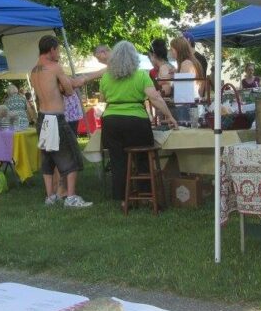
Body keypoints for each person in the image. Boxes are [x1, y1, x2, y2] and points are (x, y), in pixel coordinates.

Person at [100, 41, 178, 202]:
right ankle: (145, 194)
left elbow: (103, 99)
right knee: (142, 156)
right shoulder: (141, 75)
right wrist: (170, 116)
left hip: (111, 121)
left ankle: (122, 198)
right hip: (136, 121)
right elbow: (155, 98)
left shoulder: (106, 77)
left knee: (117, 160)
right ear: (134, 58)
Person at [29, 35, 89, 208]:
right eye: (58, 50)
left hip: (42, 118)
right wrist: (74, 83)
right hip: (56, 117)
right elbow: (69, 91)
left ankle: (50, 197)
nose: (60, 54)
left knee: (48, 158)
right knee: (71, 156)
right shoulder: (55, 67)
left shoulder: (34, 70)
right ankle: (71, 197)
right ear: (52, 49)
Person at [170, 36, 204, 123]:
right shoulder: (192, 62)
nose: (171, 52)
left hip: (186, 105)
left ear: (178, 49)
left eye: (172, 49)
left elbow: (184, 88)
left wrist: (173, 80)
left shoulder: (186, 63)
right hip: (193, 103)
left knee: (185, 131)